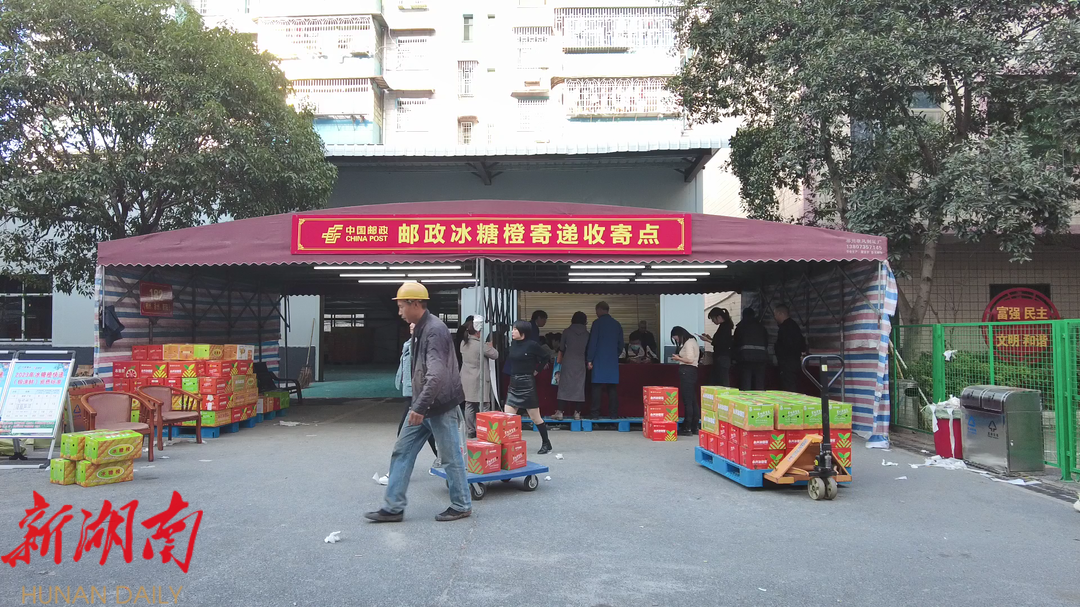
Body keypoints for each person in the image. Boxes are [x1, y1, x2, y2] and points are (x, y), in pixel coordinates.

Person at [366, 282, 471, 523]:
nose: (399, 312)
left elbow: (436, 374)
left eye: (402, 306)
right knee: (402, 451)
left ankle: (462, 504)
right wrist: (418, 404)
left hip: (439, 406)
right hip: (422, 405)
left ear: (415, 304)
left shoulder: (434, 330)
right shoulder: (421, 330)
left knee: (450, 457)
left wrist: (420, 406)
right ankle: (393, 507)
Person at [505, 320, 553, 454]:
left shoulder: (532, 345)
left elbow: (546, 356)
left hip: (527, 383)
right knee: (508, 417)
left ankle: (546, 442)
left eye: (515, 329)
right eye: (513, 329)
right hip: (514, 383)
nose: (512, 331)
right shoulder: (513, 344)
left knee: (535, 417)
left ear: (523, 332)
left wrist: (537, 370)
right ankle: (510, 445)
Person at [395, 323, 439, 465]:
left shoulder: (423, 346)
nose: (411, 326)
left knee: (406, 431)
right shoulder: (409, 343)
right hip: (411, 391)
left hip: (418, 392)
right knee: (429, 430)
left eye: (415, 325)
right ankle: (443, 459)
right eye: (411, 325)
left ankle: (397, 466)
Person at [460, 316, 498, 439]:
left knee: (469, 404)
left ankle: (470, 430)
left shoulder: (463, 343)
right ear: (478, 332)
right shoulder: (481, 345)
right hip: (479, 378)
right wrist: (490, 346)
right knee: (484, 405)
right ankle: (484, 430)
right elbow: (495, 355)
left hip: (466, 377)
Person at [587, 301, 624, 418]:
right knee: (612, 388)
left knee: (596, 388)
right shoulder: (616, 324)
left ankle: (595, 414)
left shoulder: (597, 324)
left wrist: (589, 359)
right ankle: (613, 414)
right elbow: (621, 344)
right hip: (612, 360)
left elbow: (593, 343)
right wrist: (615, 355)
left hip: (598, 360)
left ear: (599, 310)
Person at [552, 312, 589, 421]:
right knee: (579, 387)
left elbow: (561, 348)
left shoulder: (566, 332)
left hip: (568, 361)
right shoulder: (587, 334)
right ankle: (577, 413)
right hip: (580, 362)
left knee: (564, 386)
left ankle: (560, 412)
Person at [670, 326, 701, 435]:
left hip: (687, 371)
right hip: (692, 371)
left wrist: (678, 358)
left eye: (676, 338)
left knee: (687, 400)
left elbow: (689, 359)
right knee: (692, 399)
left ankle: (687, 426)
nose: (677, 340)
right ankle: (694, 426)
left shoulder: (688, 343)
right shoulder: (693, 341)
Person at [733, 307, 769, 391]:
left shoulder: (740, 327)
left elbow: (736, 343)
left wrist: (735, 358)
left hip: (745, 359)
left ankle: (746, 399)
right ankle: (759, 399)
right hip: (761, 359)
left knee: (746, 383)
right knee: (759, 384)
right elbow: (766, 342)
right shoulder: (761, 327)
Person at [773, 304, 807, 392]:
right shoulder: (794, 326)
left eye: (775, 315)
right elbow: (802, 343)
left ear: (781, 314)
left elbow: (784, 345)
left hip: (787, 362)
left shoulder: (784, 328)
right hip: (795, 361)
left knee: (789, 385)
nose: (775, 318)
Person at [701, 308, 733, 387]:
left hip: (722, 357)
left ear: (718, 317)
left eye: (713, 319)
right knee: (718, 379)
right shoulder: (724, 326)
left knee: (722, 380)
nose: (713, 321)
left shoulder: (725, 327)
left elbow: (721, 343)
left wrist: (707, 340)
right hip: (721, 357)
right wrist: (710, 338)